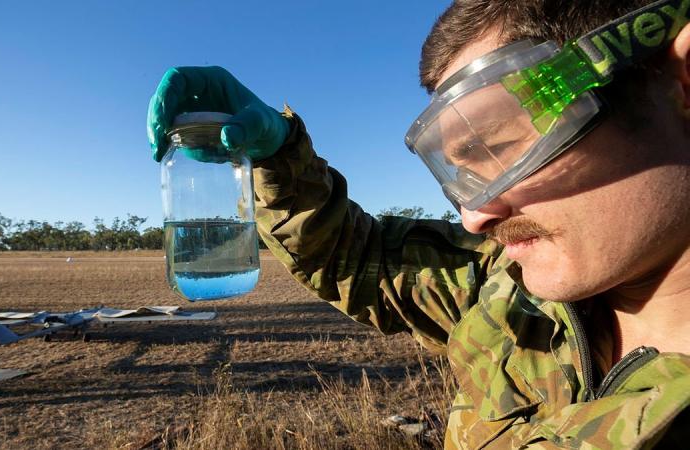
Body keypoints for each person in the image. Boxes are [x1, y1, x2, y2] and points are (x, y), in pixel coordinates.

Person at [147, 0, 690, 447]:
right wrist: (278, 155)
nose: (476, 216)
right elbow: (356, 261)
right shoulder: (507, 292)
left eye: (502, 148)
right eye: (464, 171)